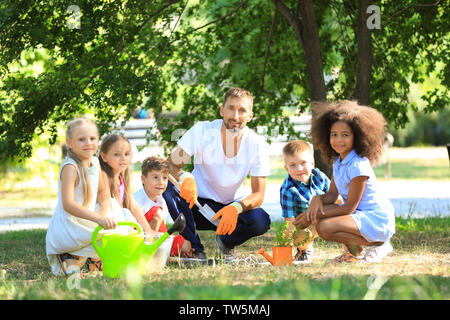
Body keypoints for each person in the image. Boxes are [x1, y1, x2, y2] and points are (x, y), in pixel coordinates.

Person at [163, 87, 271, 263]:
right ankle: (196, 250)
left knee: (261, 220)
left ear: (250, 116)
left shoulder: (257, 144)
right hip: (197, 204)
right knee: (168, 186)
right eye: (231, 108)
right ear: (222, 110)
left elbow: (258, 195)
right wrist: (186, 178)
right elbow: (169, 165)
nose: (235, 116)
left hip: (231, 209)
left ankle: (226, 242)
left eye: (242, 110)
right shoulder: (202, 131)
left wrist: (236, 208)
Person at [294, 100, 395, 263]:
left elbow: (349, 207)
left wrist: (312, 215)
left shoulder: (358, 165)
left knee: (324, 227)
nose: (338, 140)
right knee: (322, 223)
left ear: (357, 136)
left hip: (376, 218)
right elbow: (333, 194)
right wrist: (317, 200)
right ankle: (353, 252)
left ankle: (380, 244)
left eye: (345, 135)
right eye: (334, 134)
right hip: (359, 216)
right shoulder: (338, 161)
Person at [46, 117, 117, 276]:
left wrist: (104, 212)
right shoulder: (70, 167)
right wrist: (98, 219)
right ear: (70, 143)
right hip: (70, 225)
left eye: (92, 138)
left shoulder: (95, 162)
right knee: (102, 236)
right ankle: (72, 257)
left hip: (89, 219)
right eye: (81, 139)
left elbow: (103, 193)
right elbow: (68, 204)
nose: (88, 143)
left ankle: (85, 257)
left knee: (116, 217)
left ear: (98, 140)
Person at [280, 140, 330, 263]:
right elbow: (290, 222)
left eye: (303, 163)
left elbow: (334, 196)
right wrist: (285, 247)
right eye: (293, 165)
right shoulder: (287, 190)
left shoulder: (319, 176)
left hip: (324, 216)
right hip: (304, 224)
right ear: (286, 168)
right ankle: (304, 249)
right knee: (300, 238)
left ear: (312, 163)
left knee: (342, 205)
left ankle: (350, 250)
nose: (299, 169)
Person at [133, 156, 194, 258]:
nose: (161, 182)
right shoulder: (136, 199)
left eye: (164, 178)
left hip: (159, 236)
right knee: (157, 213)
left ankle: (167, 253)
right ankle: (149, 255)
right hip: (140, 238)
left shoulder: (161, 199)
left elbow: (163, 227)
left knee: (186, 245)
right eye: (155, 177)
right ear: (144, 179)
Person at [98, 134, 155, 235]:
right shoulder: (104, 177)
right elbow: (114, 209)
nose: (123, 158)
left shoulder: (121, 178)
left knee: (154, 214)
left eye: (127, 154)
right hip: (108, 223)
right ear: (104, 157)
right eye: (117, 154)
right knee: (126, 214)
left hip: (119, 220)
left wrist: (148, 230)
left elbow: (133, 205)